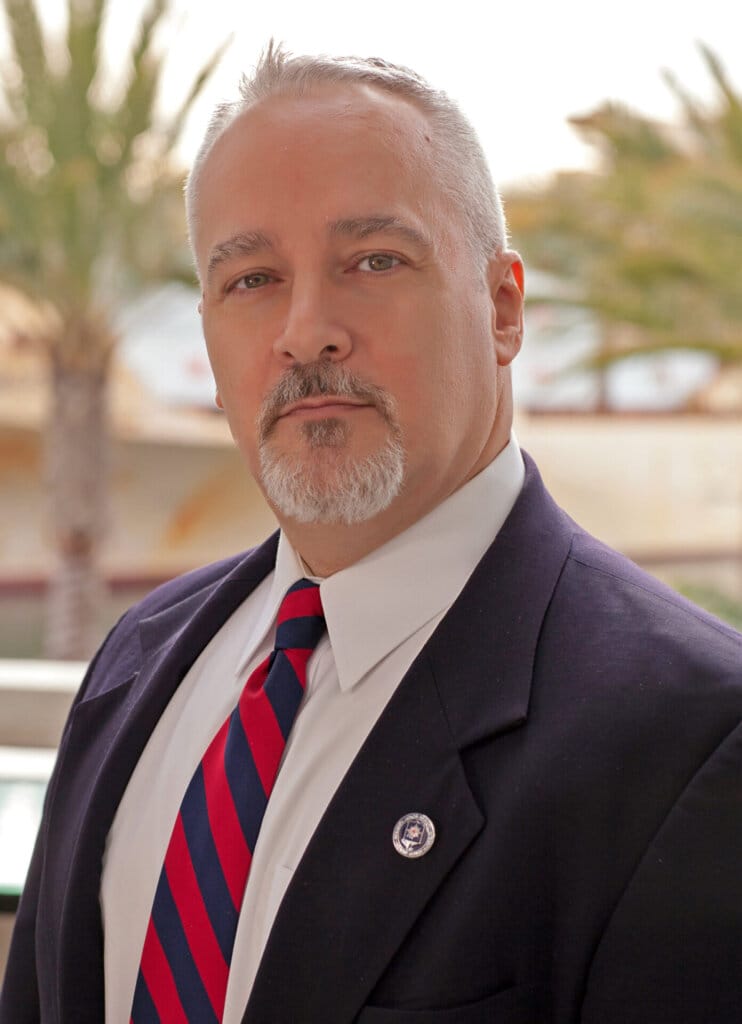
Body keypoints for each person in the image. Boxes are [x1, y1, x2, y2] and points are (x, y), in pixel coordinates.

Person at [2, 43, 741, 1024]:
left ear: (504, 306)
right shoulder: (136, 663)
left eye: (373, 261)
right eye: (252, 279)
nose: (306, 330)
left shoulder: (690, 741)